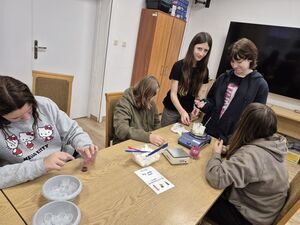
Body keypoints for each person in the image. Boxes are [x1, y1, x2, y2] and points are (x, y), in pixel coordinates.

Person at [0, 76, 98, 189]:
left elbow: (72, 130)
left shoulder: (44, 104)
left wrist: (84, 145)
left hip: (63, 167)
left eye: (30, 110)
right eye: (17, 118)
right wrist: (41, 165)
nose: (27, 118)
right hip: (24, 180)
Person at [205, 103, 289, 225]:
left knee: (200, 197)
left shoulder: (251, 155)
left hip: (248, 218)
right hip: (262, 211)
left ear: (246, 125)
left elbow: (216, 178)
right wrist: (228, 150)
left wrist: (216, 154)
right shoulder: (274, 143)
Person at [195, 38, 269, 144]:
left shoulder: (260, 85)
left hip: (233, 138)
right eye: (232, 61)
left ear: (250, 59)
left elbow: (256, 119)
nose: (234, 65)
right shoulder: (224, 77)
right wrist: (204, 104)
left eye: (239, 62)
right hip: (209, 130)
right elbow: (211, 100)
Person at [161, 32, 213, 126]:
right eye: (199, 48)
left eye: (205, 50)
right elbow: (173, 94)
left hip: (188, 111)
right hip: (172, 110)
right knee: (165, 136)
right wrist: (182, 112)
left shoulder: (204, 70)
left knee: (180, 139)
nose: (201, 53)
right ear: (192, 46)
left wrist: (197, 106)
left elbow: (199, 95)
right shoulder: (178, 66)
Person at [113, 75, 165, 146]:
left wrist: (158, 135)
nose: (154, 99)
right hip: (126, 143)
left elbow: (156, 123)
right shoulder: (124, 103)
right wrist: (148, 137)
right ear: (144, 95)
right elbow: (121, 130)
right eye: (153, 96)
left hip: (144, 143)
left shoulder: (150, 102)